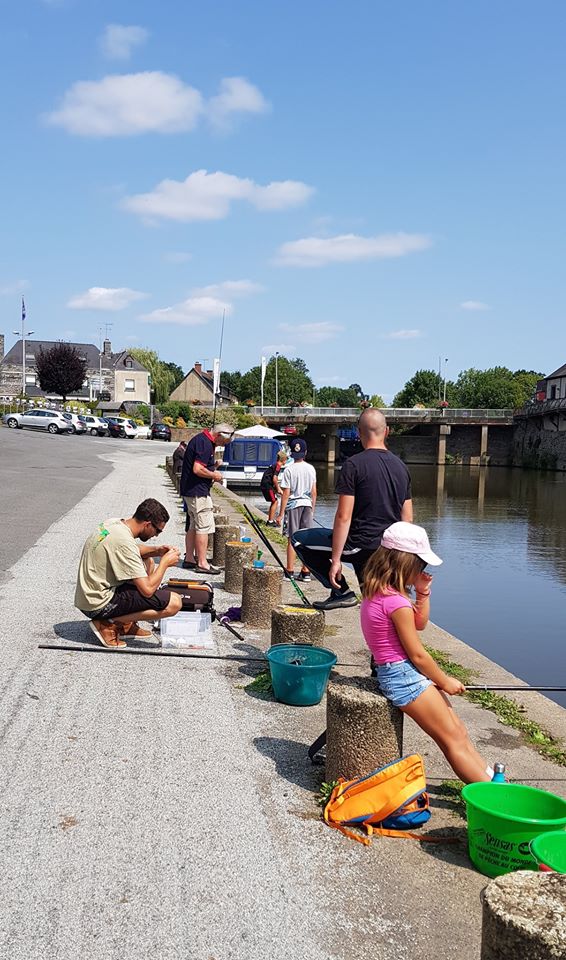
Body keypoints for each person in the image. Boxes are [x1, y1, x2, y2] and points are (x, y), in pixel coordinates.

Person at [361, 521, 492, 783]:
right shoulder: (395, 602)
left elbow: (418, 623)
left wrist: (422, 593)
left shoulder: (378, 592)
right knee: (452, 740)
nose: (422, 570)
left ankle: (494, 782)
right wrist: (445, 681)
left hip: (402, 674)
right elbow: (418, 654)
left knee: (458, 732)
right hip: (403, 678)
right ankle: (495, 798)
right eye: (420, 565)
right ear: (405, 562)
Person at [292, 409, 412, 610]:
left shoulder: (354, 465)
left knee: (299, 539)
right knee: (373, 602)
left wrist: (336, 560)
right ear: (387, 431)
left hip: (359, 544)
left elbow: (343, 516)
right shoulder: (402, 467)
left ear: (358, 432)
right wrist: (401, 559)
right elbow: (407, 519)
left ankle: (341, 592)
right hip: (388, 548)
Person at [74, 498, 182, 649]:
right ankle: (108, 623)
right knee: (174, 603)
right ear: (147, 524)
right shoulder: (124, 542)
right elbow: (147, 590)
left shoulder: (115, 524)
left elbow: (131, 549)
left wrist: (157, 551)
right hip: (98, 604)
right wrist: (164, 563)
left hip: (88, 597)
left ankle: (126, 624)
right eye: (157, 531)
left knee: (148, 561)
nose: (157, 535)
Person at [180, 422, 234, 574]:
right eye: (223, 442)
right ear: (218, 435)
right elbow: (197, 469)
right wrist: (214, 475)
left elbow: (200, 466)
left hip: (190, 490)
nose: (223, 445)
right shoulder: (205, 444)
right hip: (198, 492)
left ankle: (190, 558)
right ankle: (202, 563)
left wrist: (213, 466)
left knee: (193, 525)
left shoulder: (200, 439)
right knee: (203, 526)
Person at [278, 438, 317, 581]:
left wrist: (280, 513)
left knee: (292, 538)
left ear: (291, 454)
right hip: (307, 504)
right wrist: (312, 508)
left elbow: (286, 493)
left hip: (293, 505)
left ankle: (289, 570)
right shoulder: (311, 469)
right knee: (306, 539)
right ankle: (306, 571)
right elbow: (314, 492)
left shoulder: (289, 469)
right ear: (305, 453)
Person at [260, 449, 288, 525]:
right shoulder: (278, 466)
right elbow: (274, 478)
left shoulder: (275, 465)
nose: (286, 461)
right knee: (275, 501)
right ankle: (270, 521)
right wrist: (278, 489)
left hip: (266, 484)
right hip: (267, 485)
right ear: (283, 459)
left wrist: (276, 488)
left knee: (274, 501)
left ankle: (270, 520)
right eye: (286, 459)